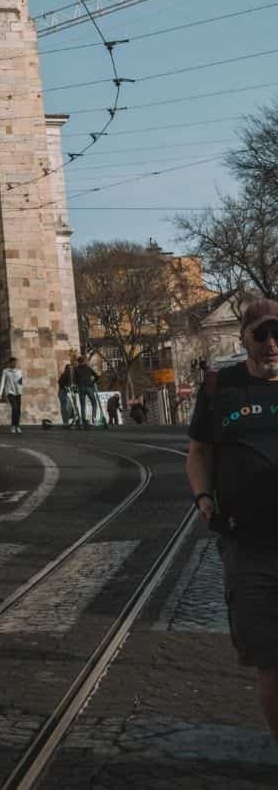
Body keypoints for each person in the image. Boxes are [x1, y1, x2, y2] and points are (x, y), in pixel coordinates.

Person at [186, 297, 278, 742]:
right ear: (244, 339)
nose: (272, 343)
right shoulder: (221, 388)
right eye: (260, 334)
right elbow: (199, 450)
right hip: (248, 544)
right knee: (269, 660)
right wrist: (203, 496)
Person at [0, 357, 24, 433]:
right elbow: (2, 382)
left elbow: (20, 381)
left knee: (18, 410)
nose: (15, 364)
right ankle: (13, 426)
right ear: (10, 363)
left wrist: (21, 390)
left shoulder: (19, 371)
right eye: (13, 362)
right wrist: (0, 393)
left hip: (18, 392)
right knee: (15, 408)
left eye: (16, 363)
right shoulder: (5, 371)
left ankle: (17, 426)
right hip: (10, 392)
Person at [74, 357, 100, 427]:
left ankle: (84, 420)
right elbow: (97, 376)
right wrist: (93, 381)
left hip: (81, 388)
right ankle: (94, 418)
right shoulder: (88, 368)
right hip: (89, 387)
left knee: (83, 405)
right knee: (94, 403)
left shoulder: (76, 369)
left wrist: (77, 385)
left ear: (78, 362)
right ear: (84, 361)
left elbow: (75, 380)